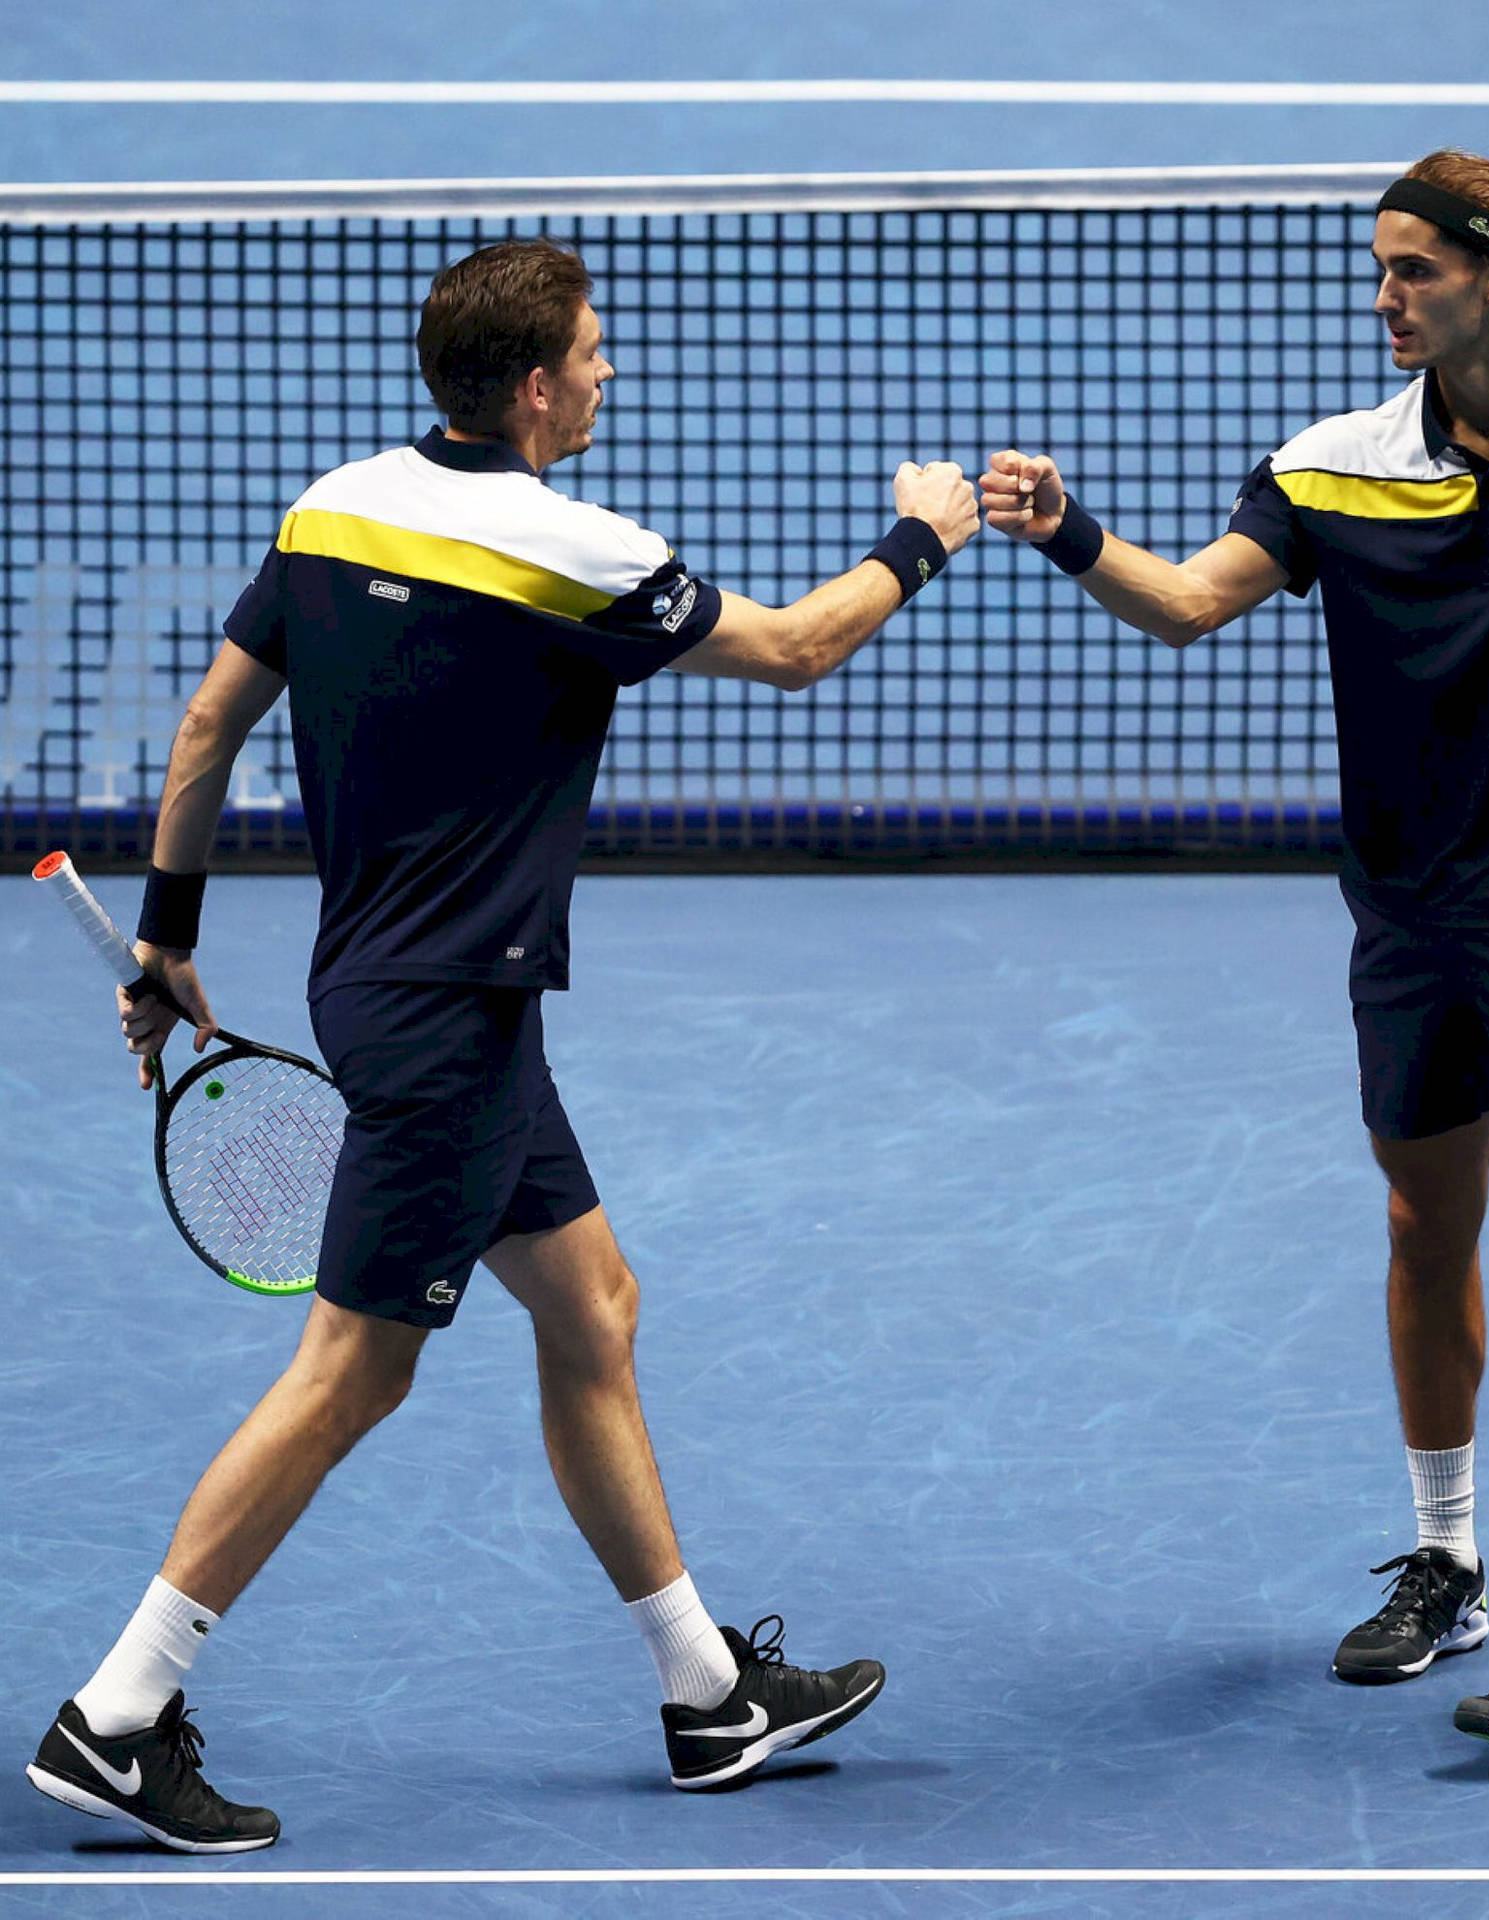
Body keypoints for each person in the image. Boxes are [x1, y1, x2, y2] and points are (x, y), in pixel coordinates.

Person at [27, 237, 979, 1851]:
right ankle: (119, 1712)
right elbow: (803, 648)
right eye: (595, 355)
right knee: (352, 1373)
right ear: (535, 386)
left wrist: (168, 934)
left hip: (402, 989)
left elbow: (206, 728)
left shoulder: (332, 505)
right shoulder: (577, 548)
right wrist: (923, 532)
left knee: (594, 1308)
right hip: (450, 1022)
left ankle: (704, 1698)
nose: (609, 373)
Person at [980, 143, 1489, 1753]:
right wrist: (1072, 530)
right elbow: (1191, 604)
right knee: (1421, 1232)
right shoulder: (1330, 467)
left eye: (1411, 271)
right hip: (1412, 918)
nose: (1383, 296)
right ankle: (1445, 1556)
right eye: (1378, 268)